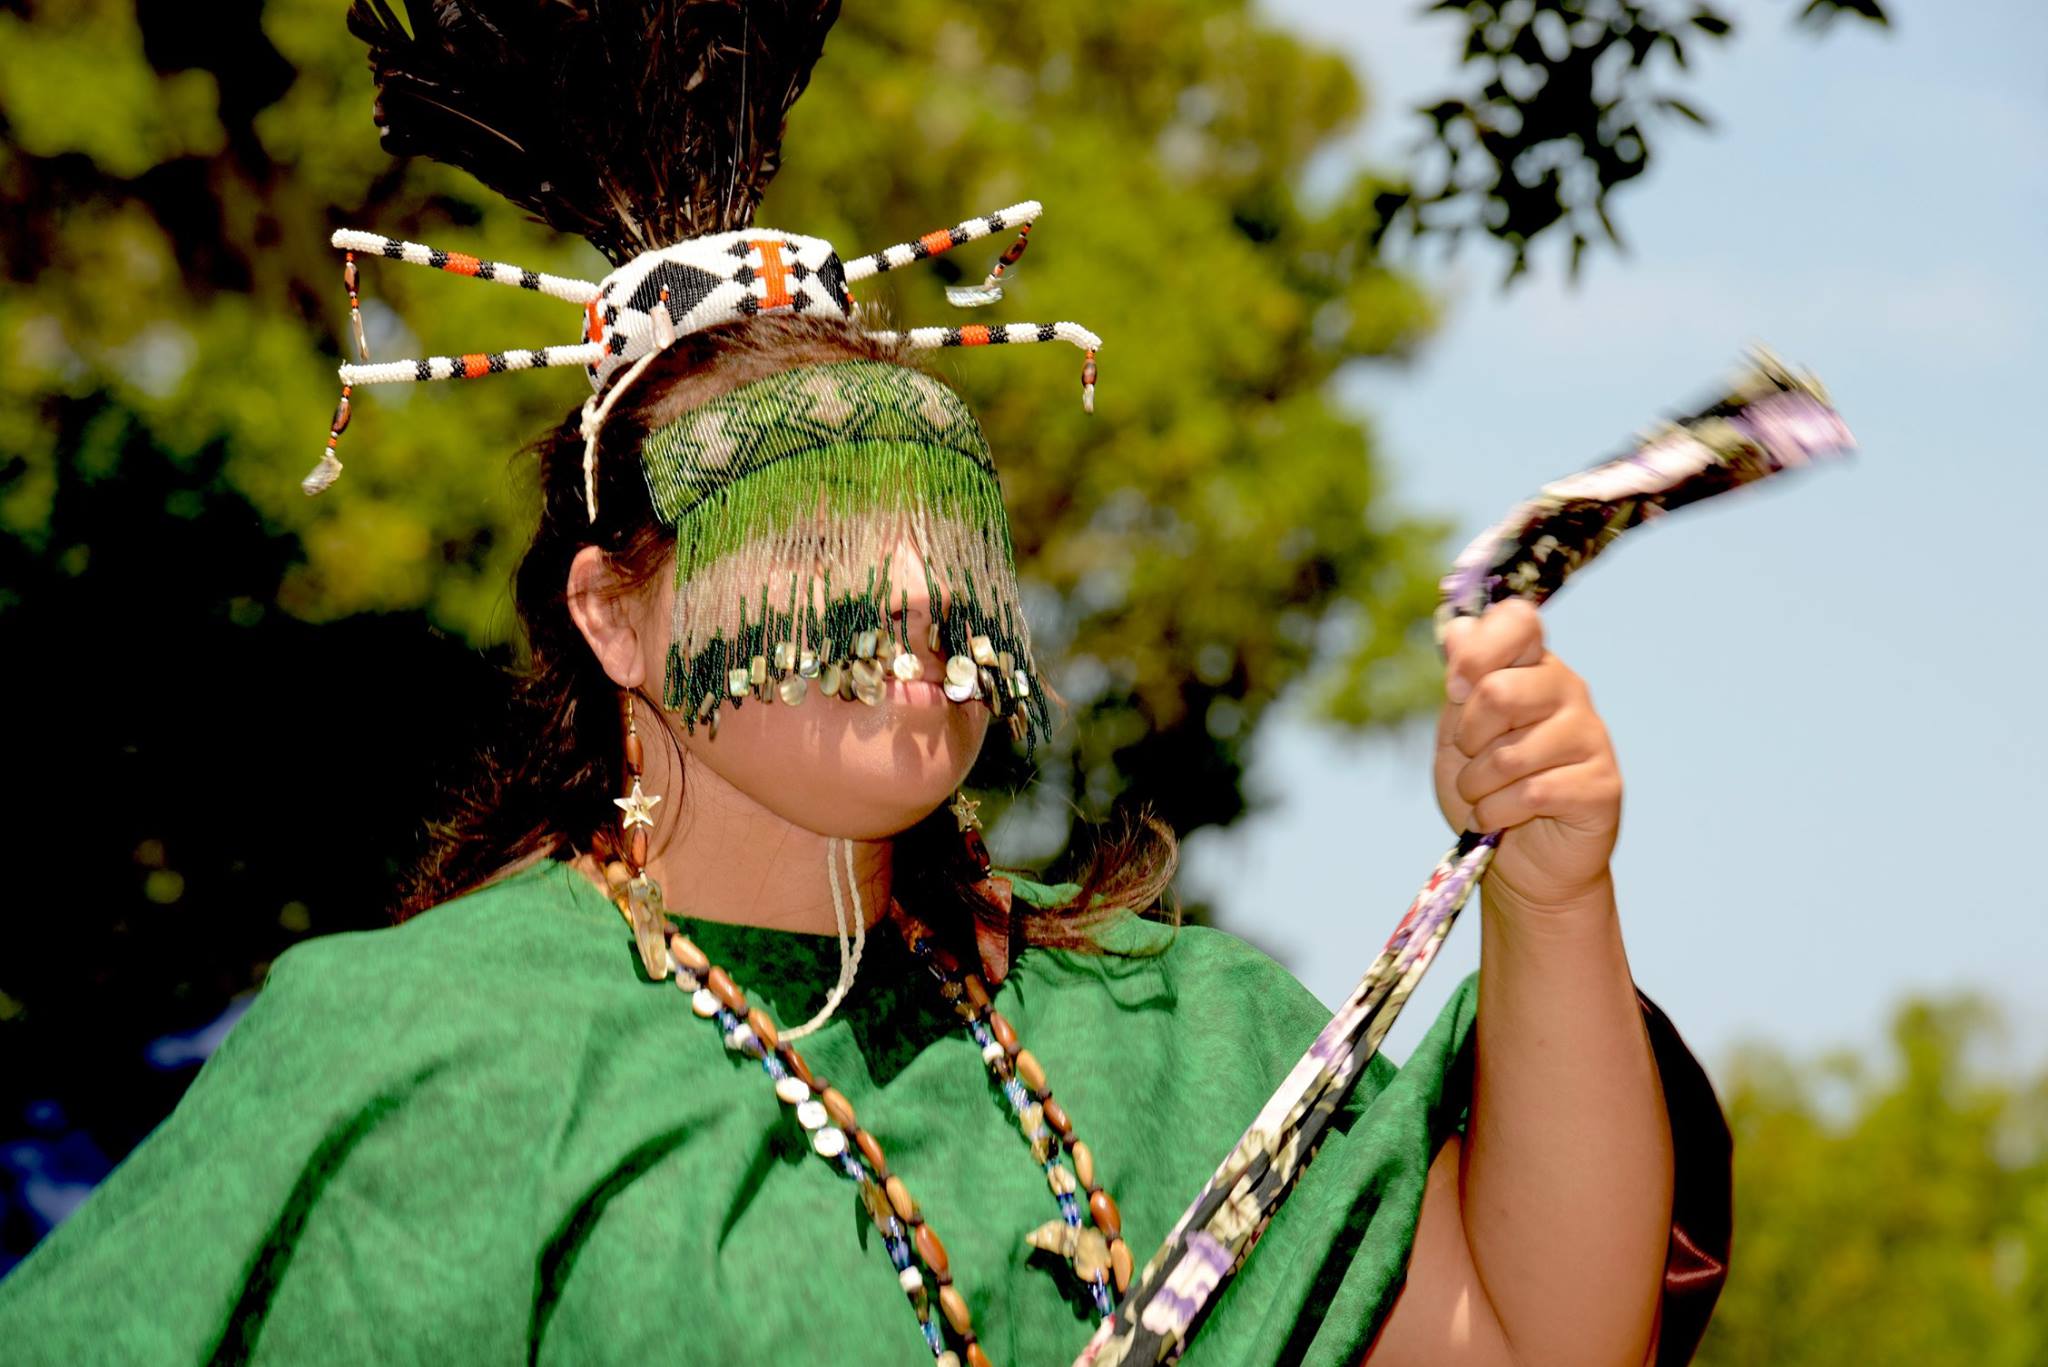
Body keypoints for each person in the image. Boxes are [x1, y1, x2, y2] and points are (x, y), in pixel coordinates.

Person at [0, 4, 1729, 1364]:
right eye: (812, 534)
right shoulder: (411, 1052)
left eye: (942, 532)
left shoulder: (1169, 1036)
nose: (907, 602)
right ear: (616, 615)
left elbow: (1536, 1341)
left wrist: (1557, 891)